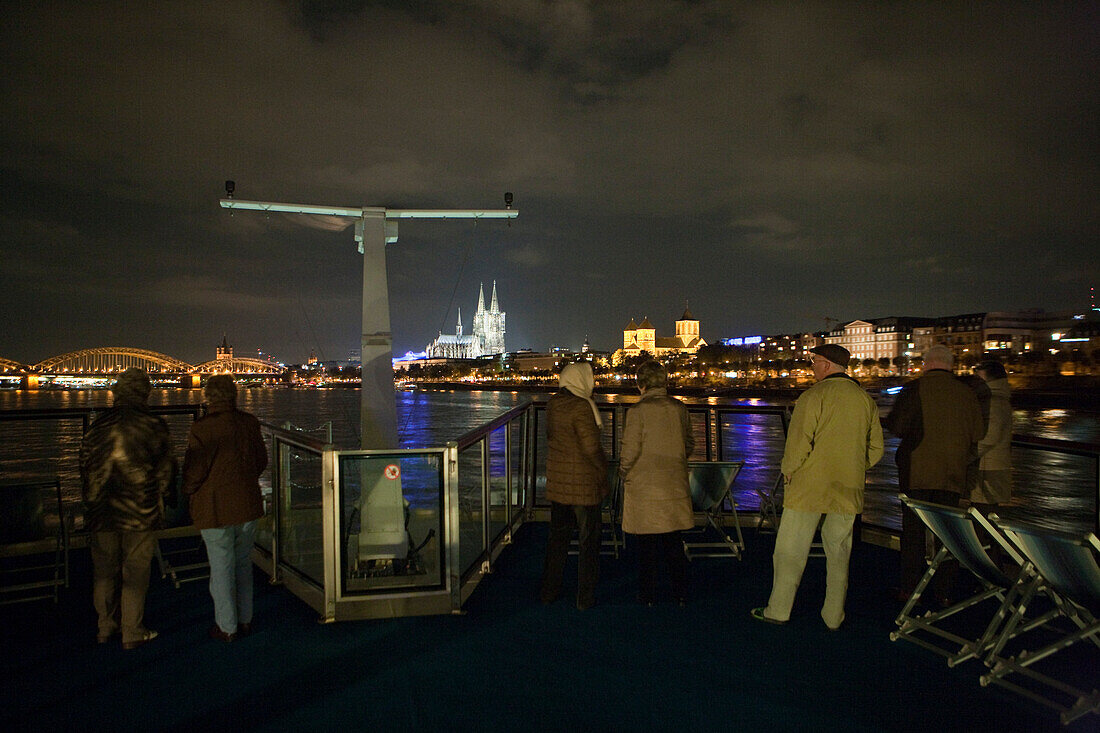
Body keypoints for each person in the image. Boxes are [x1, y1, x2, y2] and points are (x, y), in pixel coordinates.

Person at [751, 345, 884, 629]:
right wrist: (855, 468)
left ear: (825, 365)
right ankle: (833, 615)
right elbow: (876, 450)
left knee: (790, 551)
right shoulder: (864, 400)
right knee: (838, 552)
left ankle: (779, 610)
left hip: (809, 486)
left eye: (813, 361)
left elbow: (799, 444)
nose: (811, 366)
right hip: (847, 487)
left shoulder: (813, 397)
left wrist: (788, 471)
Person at [80, 368, 176, 650]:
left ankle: (105, 627)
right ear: (146, 392)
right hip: (139, 509)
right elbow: (166, 469)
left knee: (104, 570)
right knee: (135, 570)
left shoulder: (97, 424)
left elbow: (84, 466)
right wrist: (167, 497)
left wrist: (90, 499)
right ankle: (132, 631)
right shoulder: (152, 423)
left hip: (101, 509)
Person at [884, 344, 984, 602]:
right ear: (950, 365)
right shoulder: (966, 393)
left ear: (927, 364)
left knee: (914, 533)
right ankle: (944, 593)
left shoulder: (913, 389)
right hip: (953, 474)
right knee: (948, 534)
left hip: (917, 472)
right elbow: (978, 433)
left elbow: (897, 426)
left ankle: (910, 589)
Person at [183, 375, 268, 642]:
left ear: (208, 397)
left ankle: (227, 626)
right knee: (243, 563)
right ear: (234, 395)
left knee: (221, 566)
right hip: (247, 502)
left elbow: (195, 471)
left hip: (215, 507)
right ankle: (245, 620)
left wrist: (187, 490)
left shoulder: (202, 428)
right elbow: (261, 461)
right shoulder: (249, 423)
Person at [620, 360, 694, 606]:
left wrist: (623, 472)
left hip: (645, 485)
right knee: (673, 541)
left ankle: (647, 595)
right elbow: (689, 443)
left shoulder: (637, 412)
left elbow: (629, 451)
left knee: (646, 545)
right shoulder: (679, 408)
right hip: (673, 481)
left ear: (641, 384)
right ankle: (681, 593)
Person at [539, 361, 609, 610]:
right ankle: (585, 597)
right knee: (589, 542)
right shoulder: (582, 407)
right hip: (583, 486)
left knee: (557, 540)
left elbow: (552, 438)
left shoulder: (553, 404)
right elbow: (591, 448)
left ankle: (548, 591)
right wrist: (604, 471)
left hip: (559, 483)